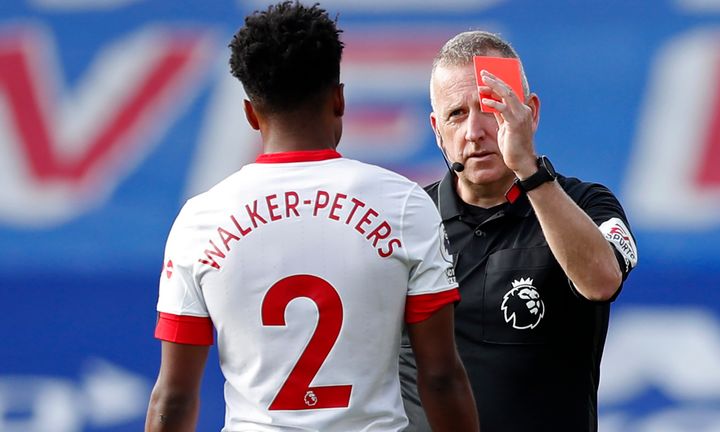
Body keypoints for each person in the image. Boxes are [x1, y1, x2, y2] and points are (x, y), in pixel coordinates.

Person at [144, 2, 480, 431]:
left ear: (251, 113)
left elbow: (173, 396)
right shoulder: (403, 204)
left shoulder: (200, 220)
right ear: (339, 99)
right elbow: (440, 377)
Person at [399, 30, 639, 432]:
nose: (475, 131)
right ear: (437, 129)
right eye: (456, 114)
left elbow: (601, 281)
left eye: (493, 108)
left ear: (530, 113)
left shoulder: (587, 204)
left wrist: (530, 172)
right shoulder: (404, 221)